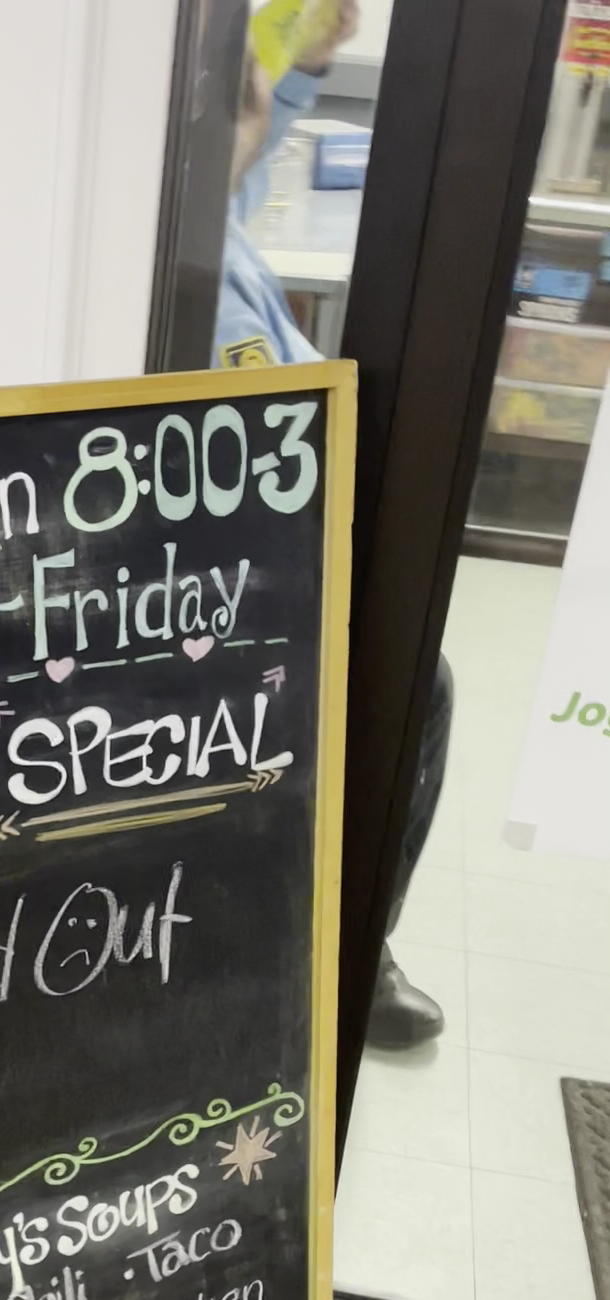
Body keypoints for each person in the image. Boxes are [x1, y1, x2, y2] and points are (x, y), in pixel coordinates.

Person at [213, 1, 451, 1048]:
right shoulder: (188, 273)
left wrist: (299, 65)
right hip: (234, 593)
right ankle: (350, 946)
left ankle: (355, 935)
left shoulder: (208, 211)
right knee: (415, 686)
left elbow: (240, 167)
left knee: (420, 675)